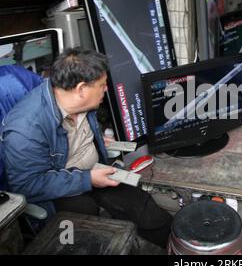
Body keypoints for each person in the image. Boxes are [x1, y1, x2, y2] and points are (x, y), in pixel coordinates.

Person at [0, 48, 172, 248]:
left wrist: (98, 139)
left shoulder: (78, 101)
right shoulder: (26, 128)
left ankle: (179, 250)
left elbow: (79, 133)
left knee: (142, 206)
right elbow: (27, 185)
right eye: (102, 85)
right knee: (87, 229)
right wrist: (87, 179)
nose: (106, 89)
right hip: (60, 188)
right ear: (81, 89)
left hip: (93, 172)